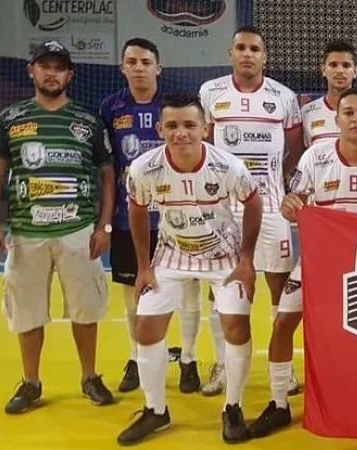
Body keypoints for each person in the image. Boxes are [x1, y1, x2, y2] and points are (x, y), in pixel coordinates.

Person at [247, 87, 357, 439]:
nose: (355, 119)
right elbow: (295, 199)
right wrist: (289, 204)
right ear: (337, 119)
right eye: (348, 113)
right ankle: (278, 404)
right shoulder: (315, 157)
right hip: (318, 264)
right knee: (283, 323)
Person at [117, 93, 261, 445]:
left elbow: (253, 202)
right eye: (172, 126)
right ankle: (156, 411)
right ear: (159, 128)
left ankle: (233, 407)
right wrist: (143, 267)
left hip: (223, 255)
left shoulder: (228, 166)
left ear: (205, 129)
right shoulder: (143, 168)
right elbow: (137, 209)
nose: (181, 133)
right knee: (147, 329)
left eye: (189, 125)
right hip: (170, 254)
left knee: (236, 326)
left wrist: (245, 259)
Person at [0, 40, 115, 413]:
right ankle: (30, 382)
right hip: (26, 234)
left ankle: (89, 377)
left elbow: (108, 175)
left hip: (78, 231)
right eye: (45, 66)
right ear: (32, 71)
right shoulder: (10, 118)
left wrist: (103, 226)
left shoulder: (88, 121)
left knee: (85, 310)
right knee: (27, 312)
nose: (51, 73)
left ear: (70, 74)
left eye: (59, 67)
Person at [199, 25, 303, 397]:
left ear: (264, 55)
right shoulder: (210, 92)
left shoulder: (284, 97)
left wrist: (271, 181)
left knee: (279, 285)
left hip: (273, 206)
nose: (247, 54)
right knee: (220, 287)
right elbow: (205, 145)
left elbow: (292, 150)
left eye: (254, 49)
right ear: (230, 53)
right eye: (240, 48)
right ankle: (222, 366)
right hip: (224, 209)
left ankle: (283, 368)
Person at [100, 37, 201, 394]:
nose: (139, 67)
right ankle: (137, 356)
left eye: (146, 61)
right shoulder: (111, 107)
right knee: (135, 292)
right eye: (132, 61)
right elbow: (108, 167)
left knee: (189, 289)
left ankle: (188, 358)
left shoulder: (174, 107)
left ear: (158, 67)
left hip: (179, 215)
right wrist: (106, 221)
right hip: (132, 218)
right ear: (123, 67)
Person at [301, 39, 357, 146]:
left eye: (346, 65)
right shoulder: (307, 113)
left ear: (355, 71)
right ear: (323, 70)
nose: (340, 70)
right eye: (333, 65)